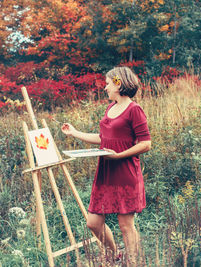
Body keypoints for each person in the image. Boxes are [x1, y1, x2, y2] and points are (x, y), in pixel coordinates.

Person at [61, 66, 151, 265]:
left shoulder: (134, 110)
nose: (105, 88)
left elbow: (146, 143)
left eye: (108, 83)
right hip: (106, 172)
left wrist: (119, 156)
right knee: (93, 222)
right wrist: (75, 133)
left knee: (126, 225)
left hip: (125, 172)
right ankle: (116, 254)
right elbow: (103, 139)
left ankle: (133, 263)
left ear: (118, 84)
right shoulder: (110, 108)